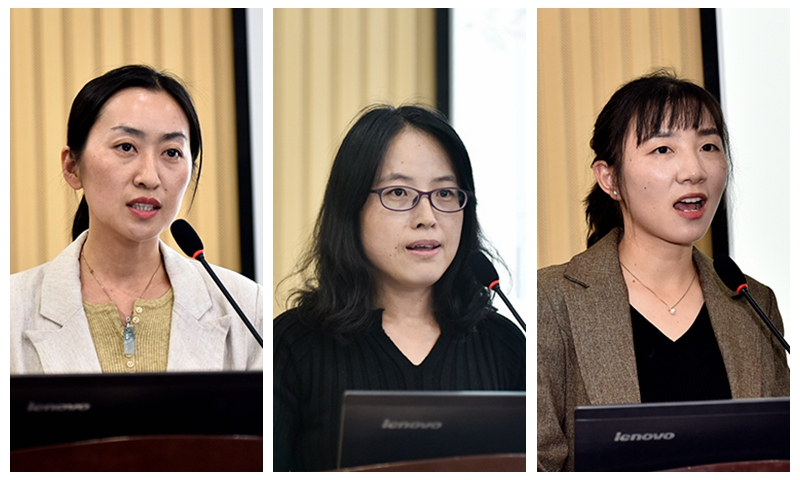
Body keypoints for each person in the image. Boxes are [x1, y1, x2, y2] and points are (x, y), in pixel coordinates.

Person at [537, 71, 790, 471]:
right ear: (609, 178)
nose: (694, 170)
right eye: (662, 149)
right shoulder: (552, 302)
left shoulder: (755, 303)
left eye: (708, 146)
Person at [273, 104, 526, 471]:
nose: (427, 218)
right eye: (398, 193)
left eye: (445, 193)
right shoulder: (292, 347)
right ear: (350, 207)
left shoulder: (506, 347)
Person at [11, 65, 262, 374]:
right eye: (126, 147)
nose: (149, 177)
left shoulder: (246, 308)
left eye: (171, 152)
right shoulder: (11, 309)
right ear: (72, 166)